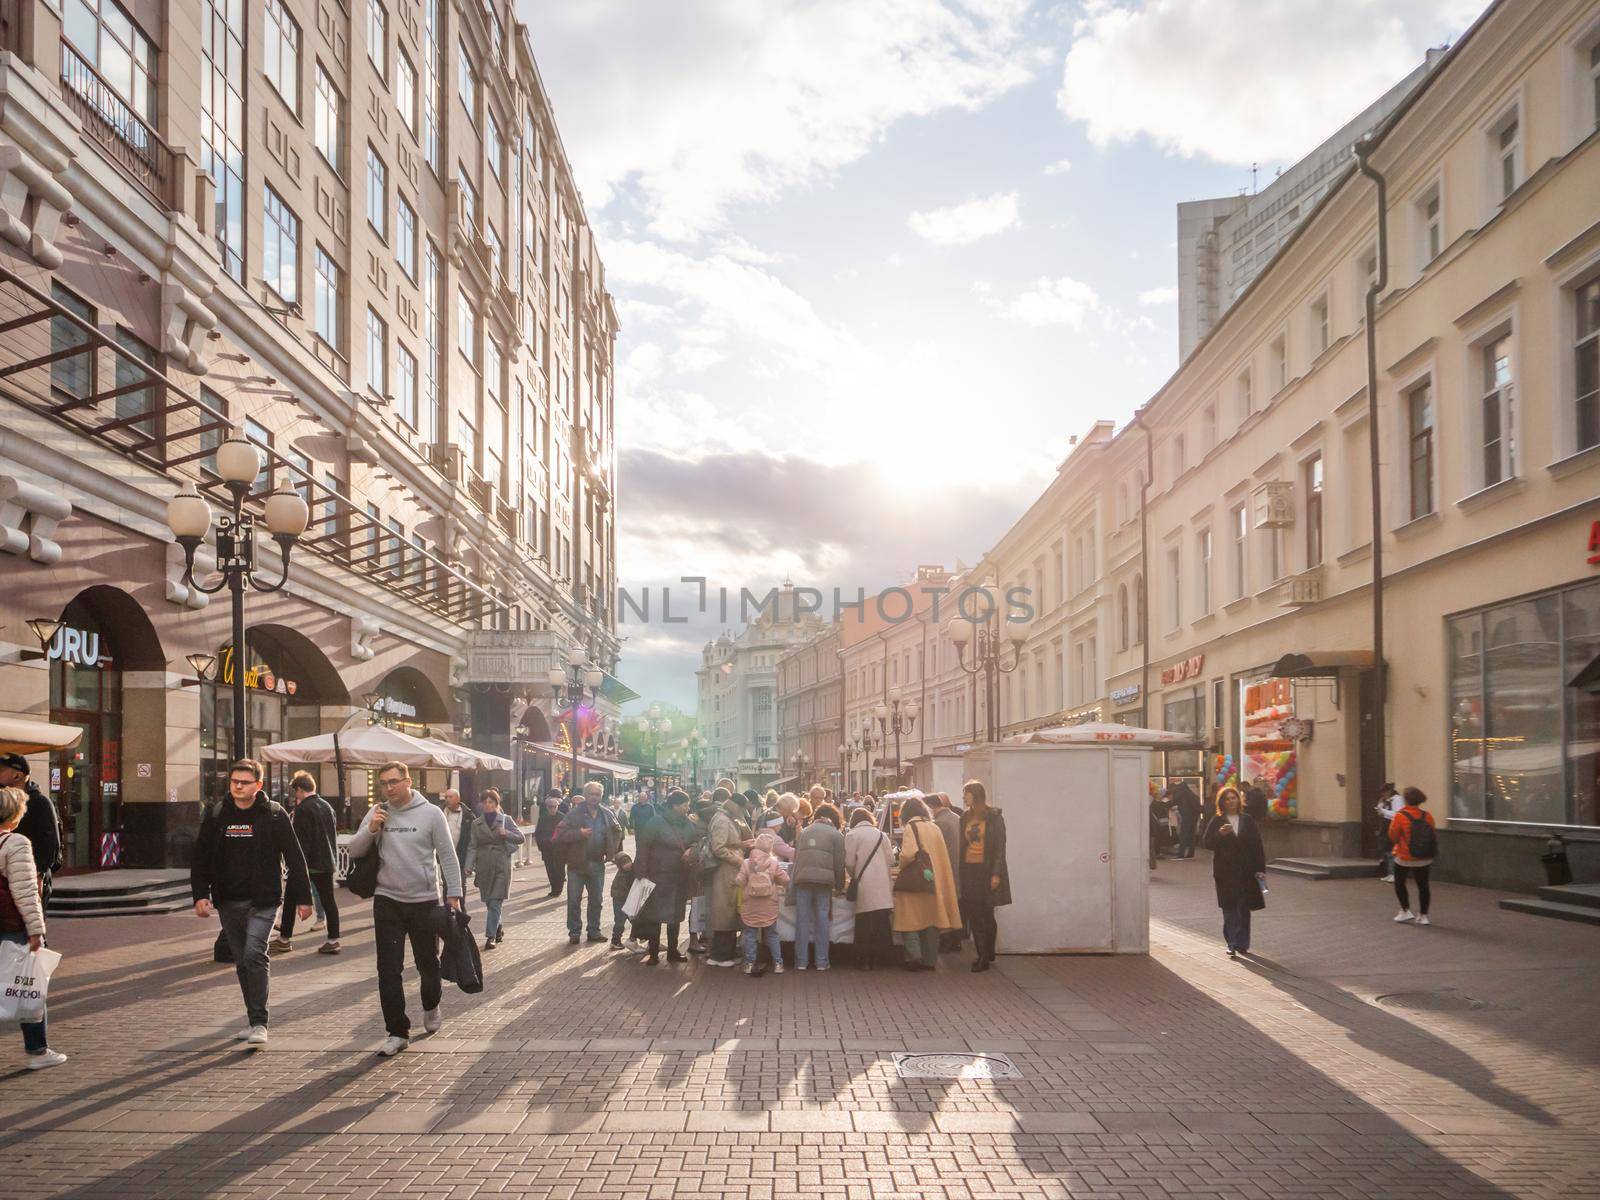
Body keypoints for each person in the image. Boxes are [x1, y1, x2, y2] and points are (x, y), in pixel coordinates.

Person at [190, 759, 314, 1047]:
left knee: (254, 954)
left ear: (258, 786)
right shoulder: (218, 813)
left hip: (264, 900)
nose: (237, 786)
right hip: (229, 900)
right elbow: (201, 857)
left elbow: (294, 857)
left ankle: (260, 1022)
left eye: (244, 782)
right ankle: (252, 1019)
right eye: (234, 781)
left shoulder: (273, 814)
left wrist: (304, 899)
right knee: (242, 962)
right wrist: (200, 895)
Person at [345, 760, 464, 1057]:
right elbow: (356, 850)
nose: (389, 788)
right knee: (388, 968)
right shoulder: (378, 812)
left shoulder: (431, 814)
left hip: (424, 900)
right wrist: (372, 829)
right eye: (383, 783)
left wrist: (454, 894)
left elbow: (448, 856)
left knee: (427, 963)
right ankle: (397, 1031)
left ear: (408, 781)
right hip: (388, 900)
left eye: (394, 781)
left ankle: (431, 1003)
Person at [0, 786, 65, 1069]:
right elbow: (25, 892)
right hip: (11, 926)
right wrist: (36, 931)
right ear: (15, 815)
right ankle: (37, 1051)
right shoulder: (16, 844)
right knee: (28, 986)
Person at [273, 771, 341, 955]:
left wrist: (295, 863)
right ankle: (334, 939)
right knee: (329, 901)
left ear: (301, 790)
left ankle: (284, 939)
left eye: (296, 792)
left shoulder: (303, 809)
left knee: (290, 899)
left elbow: (300, 841)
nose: (296, 796)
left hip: (307, 863)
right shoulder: (327, 806)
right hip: (326, 861)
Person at [892, 796, 961, 971]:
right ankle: (930, 961)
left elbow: (908, 854)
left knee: (909, 920)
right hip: (933, 882)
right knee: (931, 922)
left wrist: (900, 864)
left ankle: (914, 958)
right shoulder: (934, 827)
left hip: (914, 882)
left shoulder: (911, 827)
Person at [1200, 786, 1267, 959]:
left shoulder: (1247, 820)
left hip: (1246, 871)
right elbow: (1206, 843)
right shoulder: (1218, 820)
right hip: (1225, 872)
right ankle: (1231, 943)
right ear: (1222, 802)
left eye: (1234, 798)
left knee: (1244, 908)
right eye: (1227, 799)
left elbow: (1257, 846)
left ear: (1239, 800)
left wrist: (1260, 870)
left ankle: (1242, 943)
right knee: (1230, 908)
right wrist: (1219, 835)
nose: (1231, 801)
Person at [556, 781, 622, 944]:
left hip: (597, 863)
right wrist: (579, 833)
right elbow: (560, 833)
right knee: (574, 900)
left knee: (596, 900)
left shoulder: (606, 813)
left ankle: (594, 930)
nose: (594, 797)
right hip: (577, 865)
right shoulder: (574, 814)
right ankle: (574, 932)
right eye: (591, 794)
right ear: (585, 796)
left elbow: (618, 830)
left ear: (601, 796)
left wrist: (610, 849)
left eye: (597, 794)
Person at [958, 780, 1011, 973]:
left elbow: (999, 848)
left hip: (986, 871)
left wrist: (996, 873)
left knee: (987, 913)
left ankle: (988, 952)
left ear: (976, 795)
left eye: (967, 793)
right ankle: (982, 957)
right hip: (969, 871)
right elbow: (962, 845)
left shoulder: (994, 817)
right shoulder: (964, 817)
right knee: (975, 914)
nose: (964, 797)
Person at [0, 753, 60, 907]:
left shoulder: (40, 803)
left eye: (1, 770)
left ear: (17, 775)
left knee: (28, 923)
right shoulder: (3, 800)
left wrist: (39, 875)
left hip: (30, 877)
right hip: (6, 877)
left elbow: (50, 843)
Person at [791, 802, 845, 971]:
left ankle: (801, 961)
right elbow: (839, 864)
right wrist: (840, 885)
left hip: (803, 880)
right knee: (822, 921)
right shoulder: (836, 835)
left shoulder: (805, 832)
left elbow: (796, 859)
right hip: (824, 882)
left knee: (802, 920)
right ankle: (822, 962)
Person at [472, 788, 524, 950]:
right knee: (490, 902)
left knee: (495, 901)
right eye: (485, 802)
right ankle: (498, 927)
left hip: (501, 865)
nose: (487, 805)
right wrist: (468, 866)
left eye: (491, 802)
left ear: (496, 803)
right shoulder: (476, 823)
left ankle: (490, 936)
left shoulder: (505, 820)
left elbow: (520, 838)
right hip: (484, 866)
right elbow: (472, 846)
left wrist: (506, 833)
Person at [705, 788, 750, 966]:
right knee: (725, 912)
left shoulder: (727, 818)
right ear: (736, 807)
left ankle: (725, 954)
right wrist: (739, 860)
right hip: (725, 871)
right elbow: (719, 848)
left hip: (729, 871)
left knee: (728, 912)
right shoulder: (723, 820)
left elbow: (728, 843)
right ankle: (720, 956)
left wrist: (741, 843)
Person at [844, 808, 893, 971]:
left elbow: (849, 862)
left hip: (864, 881)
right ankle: (883, 958)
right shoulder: (882, 835)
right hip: (883, 882)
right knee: (881, 920)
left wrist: (854, 875)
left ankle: (863, 959)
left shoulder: (852, 835)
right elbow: (891, 859)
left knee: (864, 922)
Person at [735, 831, 789, 976]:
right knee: (771, 934)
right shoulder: (773, 863)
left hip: (750, 905)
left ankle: (749, 964)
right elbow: (785, 880)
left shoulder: (746, 863)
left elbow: (739, 881)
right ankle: (778, 964)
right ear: (770, 848)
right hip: (769, 905)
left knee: (750, 935)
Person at [1388, 786, 1437, 926]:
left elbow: (1393, 835)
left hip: (1405, 857)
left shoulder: (1400, 816)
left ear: (1406, 800)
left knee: (1399, 883)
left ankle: (1405, 910)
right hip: (1424, 857)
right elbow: (1432, 833)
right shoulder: (1427, 815)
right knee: (1423, 886)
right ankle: (1423, 915)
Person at [931, 792, 965, 952]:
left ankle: (948, 940)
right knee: (956, 905)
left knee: (946, 906)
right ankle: (957, 939)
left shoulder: (938, 823)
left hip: (947, 867)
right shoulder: (955, 817)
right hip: (959, 866)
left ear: (932, 807)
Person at [439, 788, 476, 908]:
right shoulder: (439, 812)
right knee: (446, 884)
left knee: (460, 884)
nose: (448, 800)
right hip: (444, 855)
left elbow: (473, 838)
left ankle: (461, 910)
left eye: (450, 797)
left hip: (460, 855)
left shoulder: (468, 815)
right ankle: (447, 911)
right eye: (446, 797)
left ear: (458, 799)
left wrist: (471, 860)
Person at [533, 793, 566, 897]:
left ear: (557, 807)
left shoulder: (562, 817)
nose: (552, 809)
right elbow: (538, 833)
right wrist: (541, 846)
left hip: (559, 849)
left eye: (554, 807)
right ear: (547, 807)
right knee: (550, 870)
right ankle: (554, 888)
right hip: (547, 849)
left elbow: (565, 833)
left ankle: (558, 889)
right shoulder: (543, 818)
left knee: (559, 870)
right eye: (550, 807)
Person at [1374, 782, 1401, 882]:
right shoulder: (1386, 800)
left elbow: (1397, 814)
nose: (1383, 795)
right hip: (1385, 826)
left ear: (1389, 791)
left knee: (1391, 850)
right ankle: (1389, 872)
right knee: (1386, 850)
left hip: (1393, 826)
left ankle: (1394, 873)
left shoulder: (1397, 799)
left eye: (1384, 793)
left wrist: (1384, 811)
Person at [609, 851, 635, 948]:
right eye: (624, 864)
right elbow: (624, 891)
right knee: (620, 921)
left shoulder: (631, 872)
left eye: (628, 862)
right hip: (620, 901)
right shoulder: (621, 876)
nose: (627, 865)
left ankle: (634, 938)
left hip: (627, 900)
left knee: (634, 920)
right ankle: (615, 941)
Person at [1171, 778, 1202, 860]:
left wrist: (1165, 803)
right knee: (1192, 834)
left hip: (1186, 815)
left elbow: (1174, 801)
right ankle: (1191, 853)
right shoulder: (1189, 792)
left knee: (1183, 834)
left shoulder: (1180, 791)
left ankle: (1181, 854)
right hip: (1194, 815)